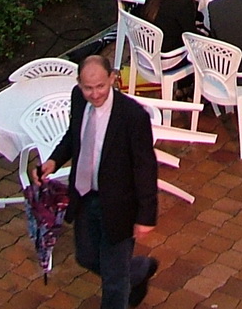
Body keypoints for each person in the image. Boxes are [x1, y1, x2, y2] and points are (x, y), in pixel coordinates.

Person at [36, 54, 160, 309]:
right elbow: (75, 134)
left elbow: (145, 167)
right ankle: (137, 271)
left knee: (113, 282)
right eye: (88, 88)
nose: (94, 94)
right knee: (86, 257)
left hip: (119, 206)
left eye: (100, 86)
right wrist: (54, 161)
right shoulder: (77, 98)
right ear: (79, 84)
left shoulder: (132, 116)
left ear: (113, 79)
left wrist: (146, 216)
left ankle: (125, 281)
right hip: (84, 197)